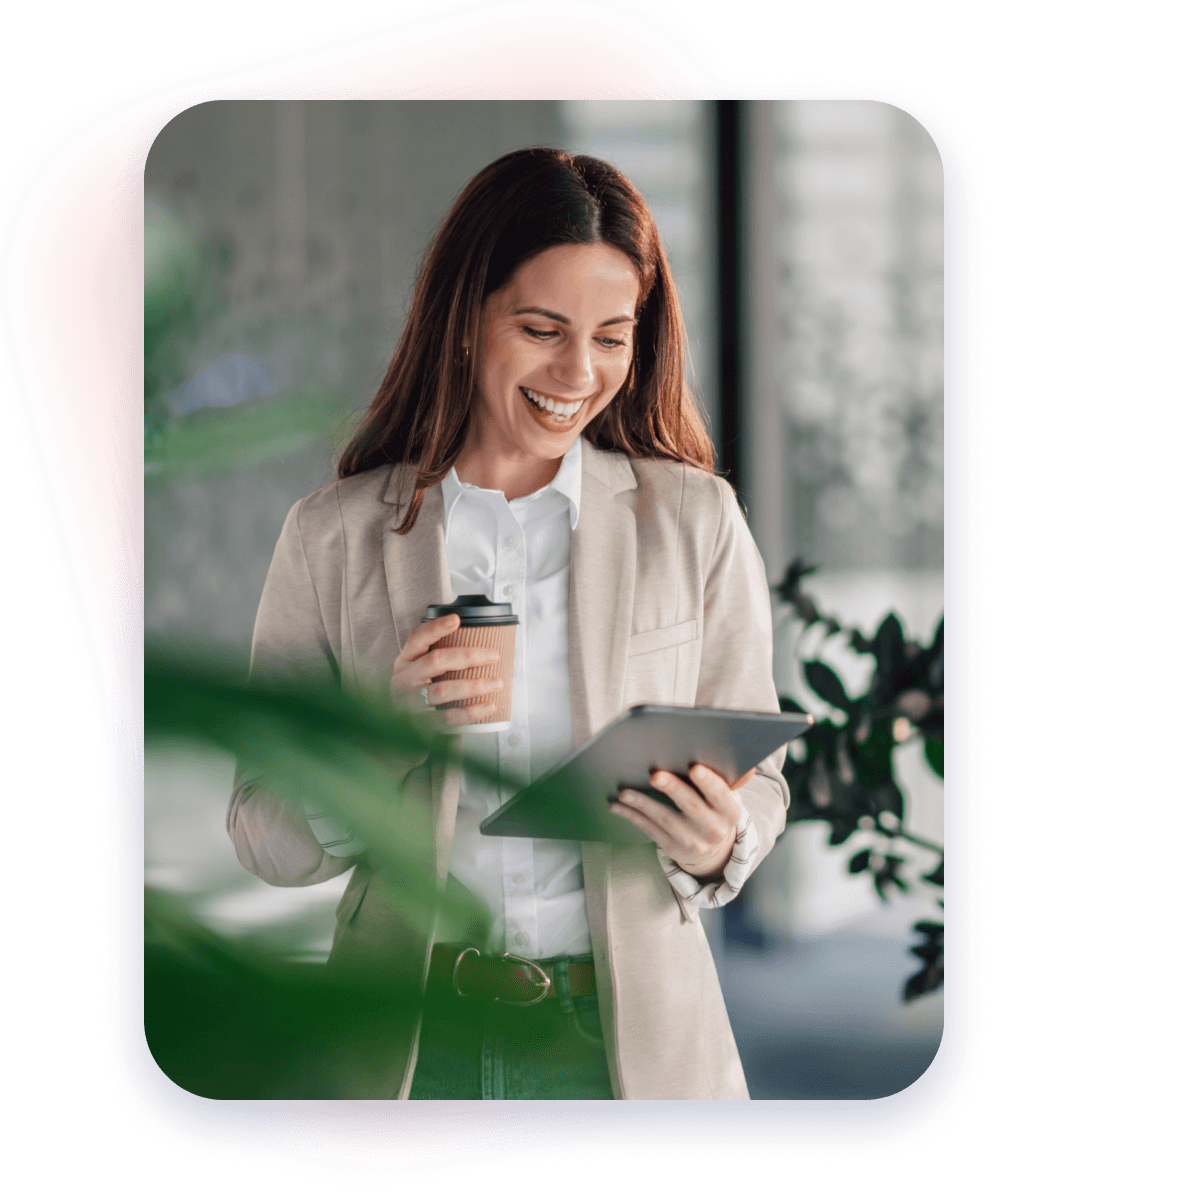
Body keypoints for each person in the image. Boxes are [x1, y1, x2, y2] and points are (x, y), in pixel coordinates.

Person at [227, 148, 789, 1101]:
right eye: (542, 329)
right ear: (464, 320)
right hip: (406, 1048)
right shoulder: (334, 537)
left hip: (630, 1051)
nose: (580, 372)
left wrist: (718, 843)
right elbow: (263, 838)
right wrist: (380, 735)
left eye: (612, 337)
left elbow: (759, 782)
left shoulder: (695, 520)